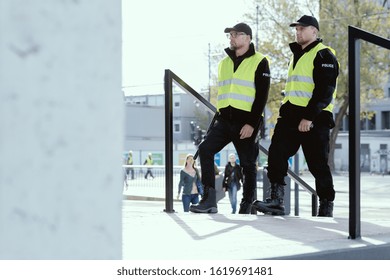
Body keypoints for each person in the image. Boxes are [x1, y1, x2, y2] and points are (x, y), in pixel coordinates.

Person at [252, 15, 339, 217]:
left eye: (302, 28)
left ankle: (326, 205)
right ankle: (277, 200)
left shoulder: (324, 54)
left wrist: (308, 117)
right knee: (276, 153)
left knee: (317, 164)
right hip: (290, 116)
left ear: (314, 32)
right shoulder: (296, 54)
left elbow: (325, 90)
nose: (298, 32)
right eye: (296, 29)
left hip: (314, 117)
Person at [190, 22, 270, 214]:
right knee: (205, 149)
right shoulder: (224, 63)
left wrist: (252, 123)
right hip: (224, 119)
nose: (232, 37)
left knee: (248, 163)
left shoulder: (260, 61)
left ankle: (247, 205)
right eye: (230, 35)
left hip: (246, 121)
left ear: (248, 38)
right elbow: (225, 93)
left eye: (236, 34)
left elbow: (262, 95)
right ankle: (209, 199)